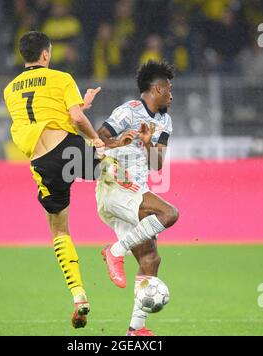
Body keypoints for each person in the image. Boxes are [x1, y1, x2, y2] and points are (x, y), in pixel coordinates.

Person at [4, 31, 104, 329]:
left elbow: (39, 116)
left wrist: (79, 108)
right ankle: (124, 247)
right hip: (68, 148)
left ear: (24, 55)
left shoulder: (9, 90)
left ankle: (78, 295)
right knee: (118, 170)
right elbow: (73, 119)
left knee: (59, 229)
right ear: (46, 54)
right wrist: (96, 139)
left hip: (43, 163)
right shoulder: (61, 78)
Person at [96, 60, 179, 336]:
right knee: (169, 214)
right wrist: (117, 142)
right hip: (116, 186)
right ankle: (115, 251)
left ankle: (136, 330)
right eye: (168, 89)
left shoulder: (164, 120)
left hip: (135, 193)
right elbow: (99, 138)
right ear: (157, 88)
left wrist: (146, 143)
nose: (171, 94)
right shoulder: (127, 112)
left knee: (151, 259)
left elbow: (157, 165)